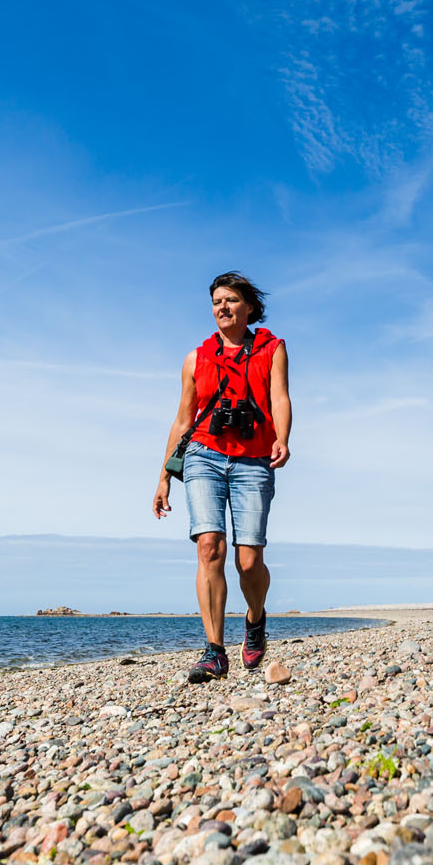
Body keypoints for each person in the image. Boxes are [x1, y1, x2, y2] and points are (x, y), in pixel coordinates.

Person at [154, 272, 292, 682]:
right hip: (203, 455)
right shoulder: (196, 359)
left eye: (231, 300)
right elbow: (183, 419)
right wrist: (163, 476)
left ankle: (255, 620)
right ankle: (214, 651)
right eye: (217, 302)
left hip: (254, 460)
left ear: (249, 306)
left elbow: (280, 397)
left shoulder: (272, 348)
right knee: (208, 547)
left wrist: (282, 438)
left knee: (249, 561)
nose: (222, 308)